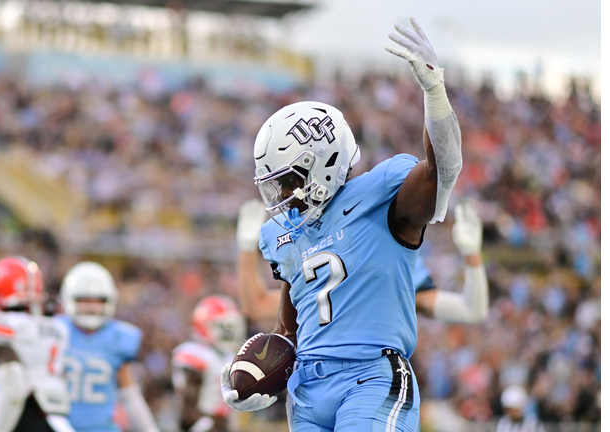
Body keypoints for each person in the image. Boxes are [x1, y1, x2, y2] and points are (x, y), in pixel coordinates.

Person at [220, 17, 463, 431]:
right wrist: (252, 373)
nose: (282, 196)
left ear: (324, 163)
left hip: (370, 377)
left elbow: (444, 170)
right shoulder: (283, 234)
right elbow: (289, 328)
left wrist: (434, 94)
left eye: (289, 181)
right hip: (307, 391)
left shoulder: (380, 194)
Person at [235, 199, 488, 324]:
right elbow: (256, 306)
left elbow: (471, 311)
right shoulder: (319, 260)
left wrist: (471, 254)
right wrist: (246, 248)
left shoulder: (389, 259)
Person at [57, 261, 160, 432]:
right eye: (84, 300)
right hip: (58, 426)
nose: (91, 307)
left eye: (98, 301)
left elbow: (129, 394)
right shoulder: (55, 331)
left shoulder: (118, 337)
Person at [0, 256, 75, 432]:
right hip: (60, 423)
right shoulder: (58, 327)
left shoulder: (4, 324)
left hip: (25, 417)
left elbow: (15, 387)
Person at [172, 295, 247, 432]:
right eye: (224, 327)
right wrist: (209, 425)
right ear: (204, 325)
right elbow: (188, 412)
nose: (229, 333)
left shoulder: (228, 356)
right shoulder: (195, 353)